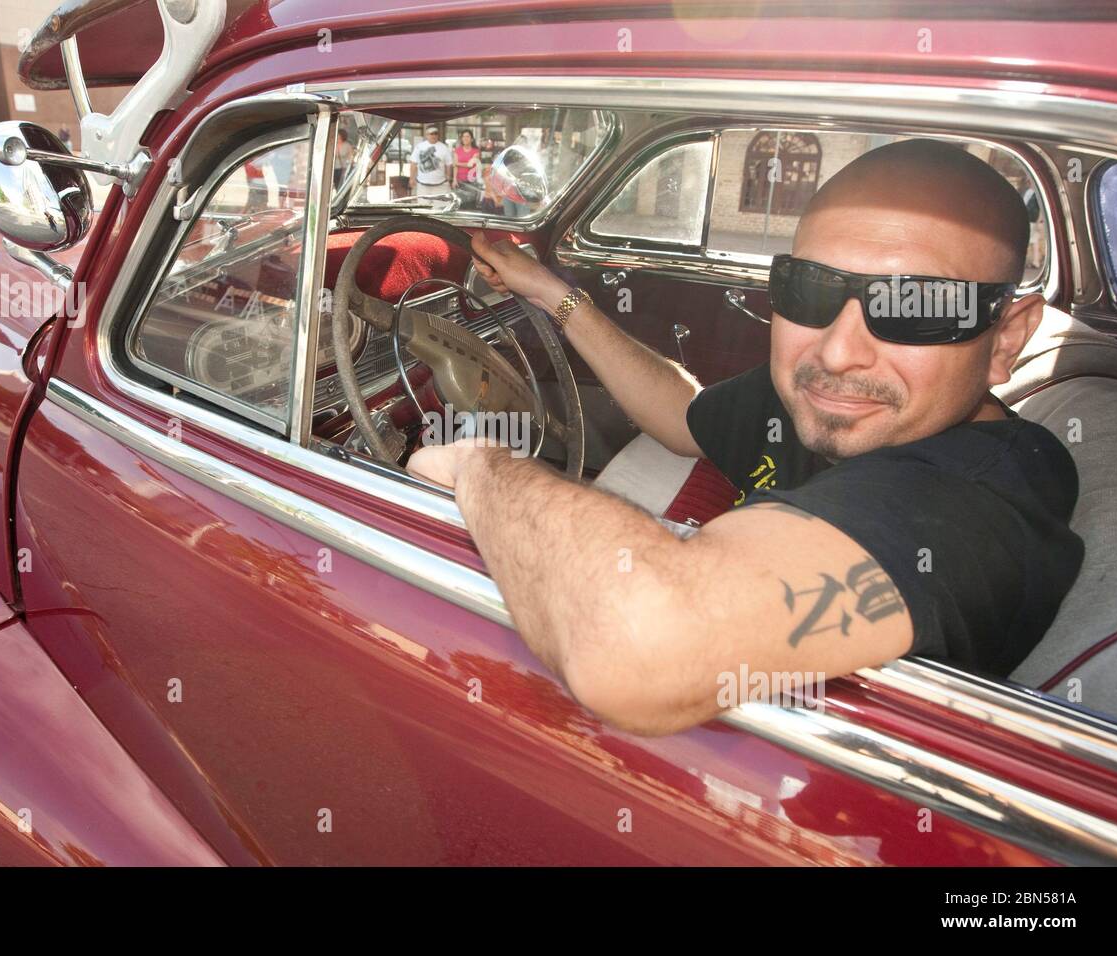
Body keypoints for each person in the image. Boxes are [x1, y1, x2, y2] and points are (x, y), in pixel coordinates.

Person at [406, 139, 1082, 736]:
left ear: (1006, 341)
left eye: (915, 306)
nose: (842, 350)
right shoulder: (842, 401)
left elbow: (638, 649)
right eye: (811, 290)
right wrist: (553, 294)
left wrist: (478, 463)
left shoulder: (977, 499)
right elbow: (682, 415)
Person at [409, 126, 453, 199]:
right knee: (423, 208)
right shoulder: (419, 147)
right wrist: (411, 178)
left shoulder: (444, 147)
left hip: (440, 186)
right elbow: (413, 163)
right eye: (431, 134)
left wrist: (448, 177)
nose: (433, 136)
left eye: (435, 133)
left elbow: (449, 164)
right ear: (427, 135)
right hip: (422, 185)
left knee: (439, 209)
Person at [451, 129, 482, 208]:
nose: (465, 138)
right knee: (459, 204)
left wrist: (457, 163)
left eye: (467, 136)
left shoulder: (476, 151)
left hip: (472, 182)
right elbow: (455, 167)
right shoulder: (457, 150)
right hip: (459, 181)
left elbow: (470, 164)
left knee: (471, 205)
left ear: (471, 139)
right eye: (463, 136)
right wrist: (454, 179)